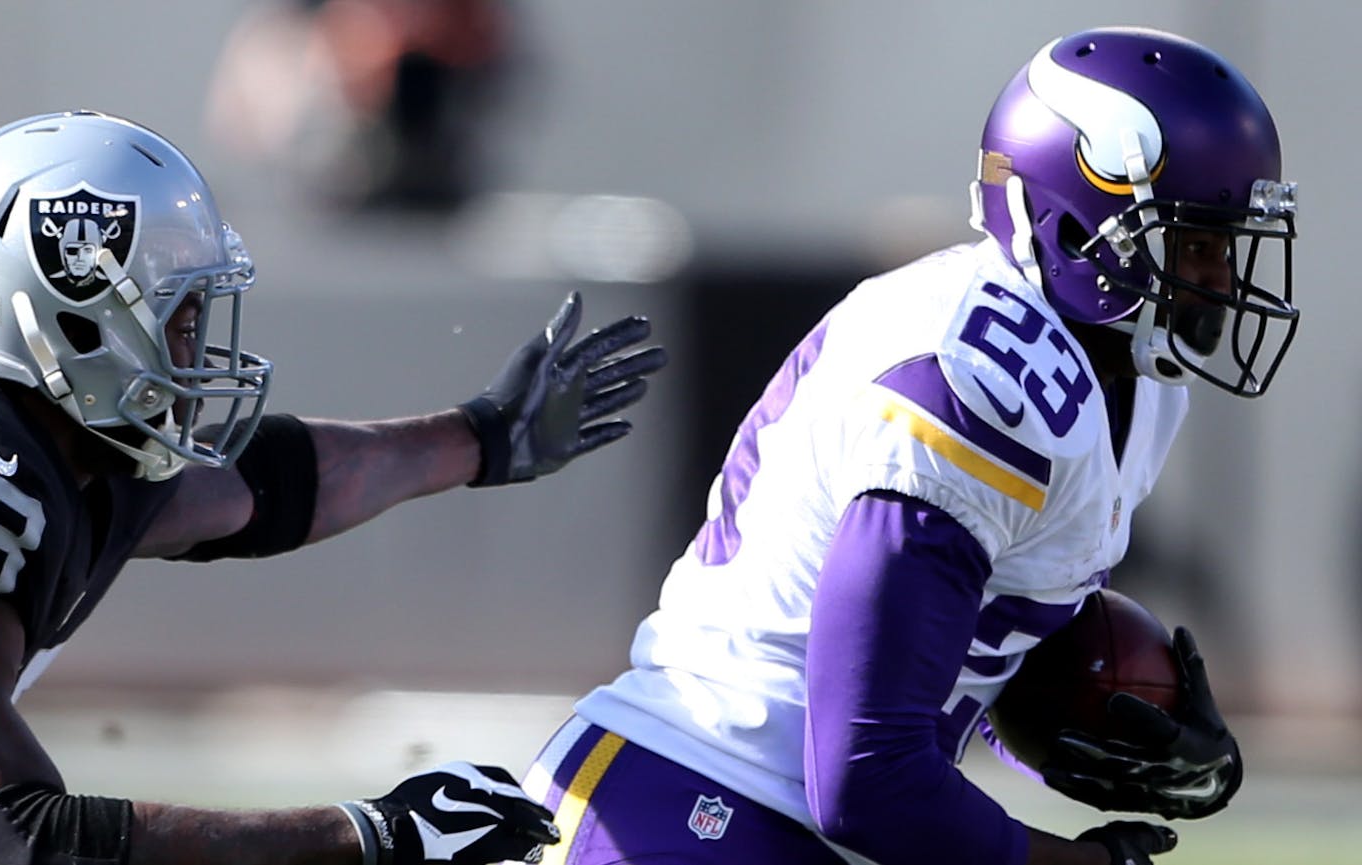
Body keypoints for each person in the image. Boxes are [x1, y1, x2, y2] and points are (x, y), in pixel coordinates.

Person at [517, 26, 1298, 865]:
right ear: (1081, 233)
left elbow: (951, 658)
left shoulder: (1131, 381)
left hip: (792, 820)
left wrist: (1111, 726)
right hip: (690, 806)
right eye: (1198, 243)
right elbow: (867, 775)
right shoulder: (970, 390)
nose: (1221, 280)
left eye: (1227, 244)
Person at [0, 110, 667, 865]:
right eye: (179, 318)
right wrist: (370, 835)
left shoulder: (44, 444)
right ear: (69, 321)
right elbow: (12, 840)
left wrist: (477, 437)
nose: (197, 350)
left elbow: (257, 491)